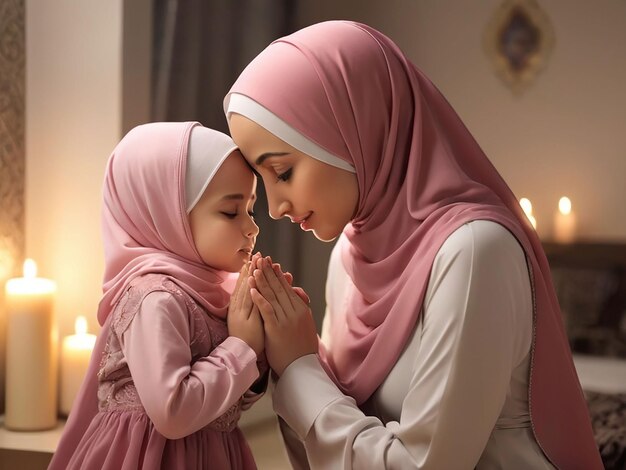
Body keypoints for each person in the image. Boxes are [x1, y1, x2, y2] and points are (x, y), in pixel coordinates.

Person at [223, 20, 603, 469]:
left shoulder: (476, 252)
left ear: (354, 129)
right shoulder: (349, 255)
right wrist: (281, 356)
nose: (274, 208)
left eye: (283, 172)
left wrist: (302, 370)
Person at [48, 122, 267, 470]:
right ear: (168, 215)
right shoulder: (154, 299)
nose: (251, 227)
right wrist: (243, 348)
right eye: (230, 211)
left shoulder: (217, 295)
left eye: (250, 210)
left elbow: (222, 404)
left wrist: (264, 345)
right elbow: (173, 413)